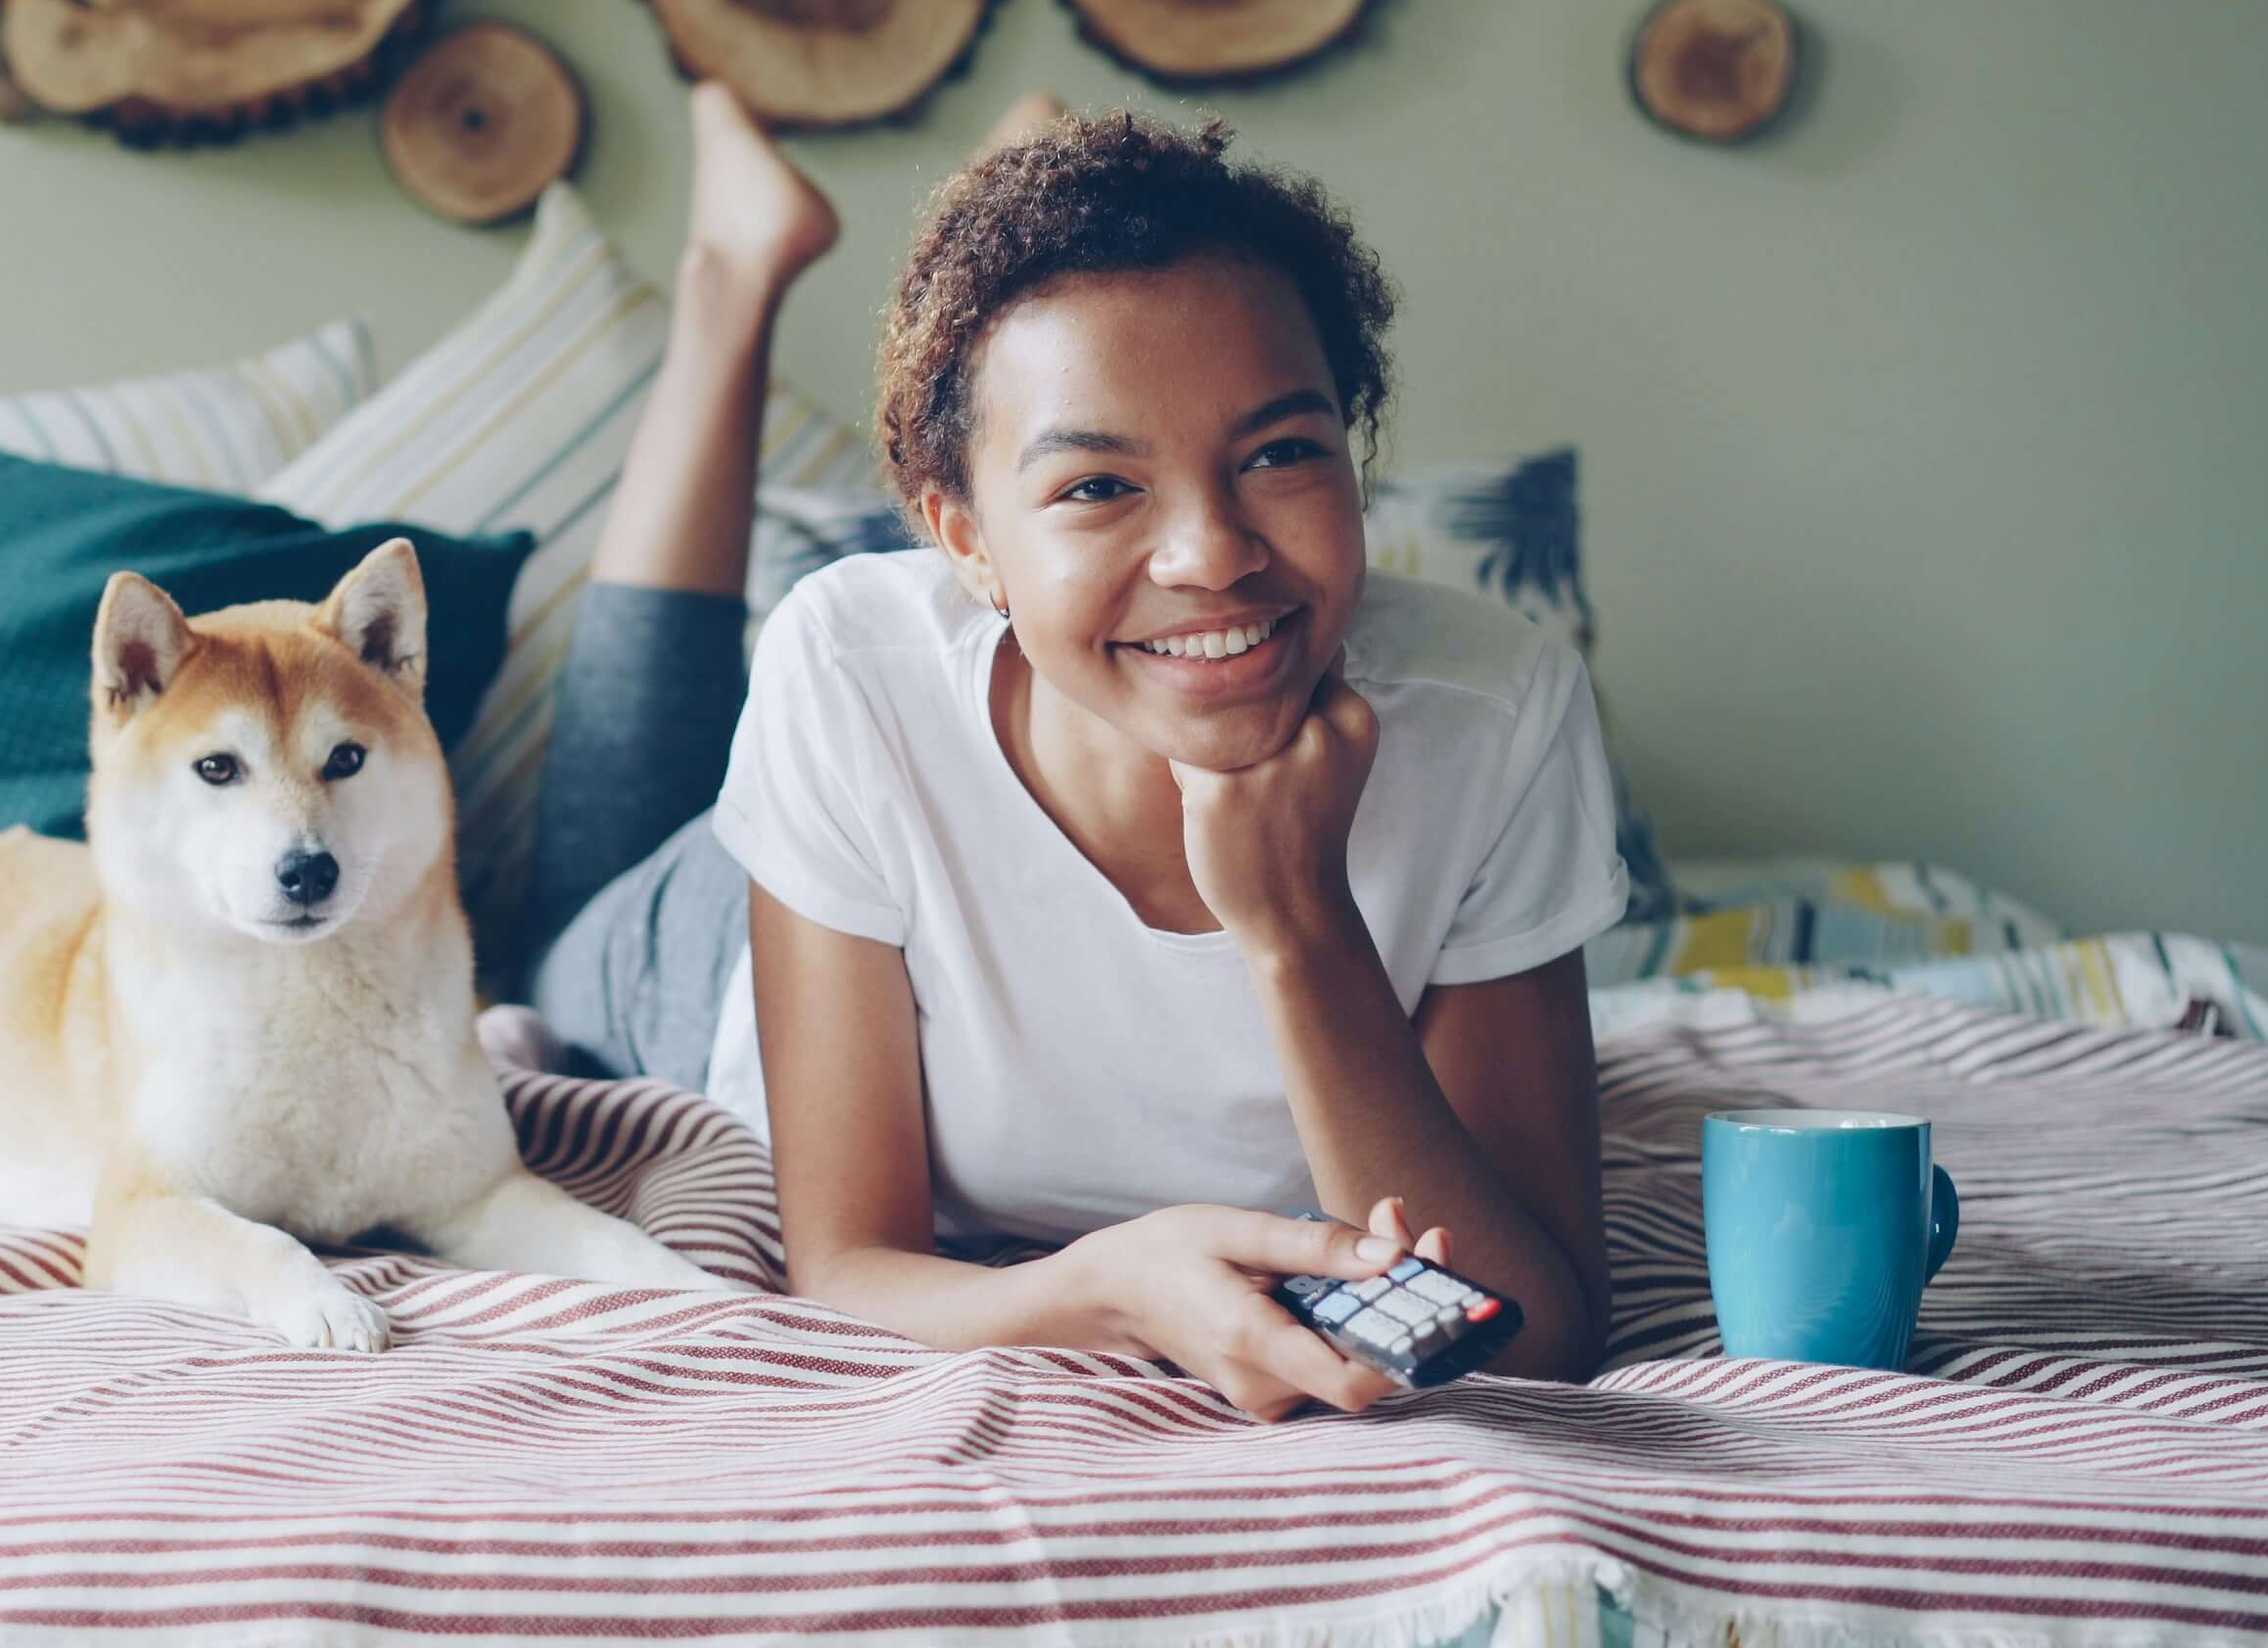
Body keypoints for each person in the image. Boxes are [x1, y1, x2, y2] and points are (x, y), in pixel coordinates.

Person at [508, 81, 1625, 1421]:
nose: (1213, 556)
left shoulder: (1500, 715)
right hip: (698, 953)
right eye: (1098, 482)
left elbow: (1541, 1333)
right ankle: (732, 276)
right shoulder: (852, 670)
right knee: (577, 874)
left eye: (1279, 453)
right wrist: (1112, 1290)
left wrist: (1298, 926)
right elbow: (849, 1265)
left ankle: (997, 237)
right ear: (962, 537)